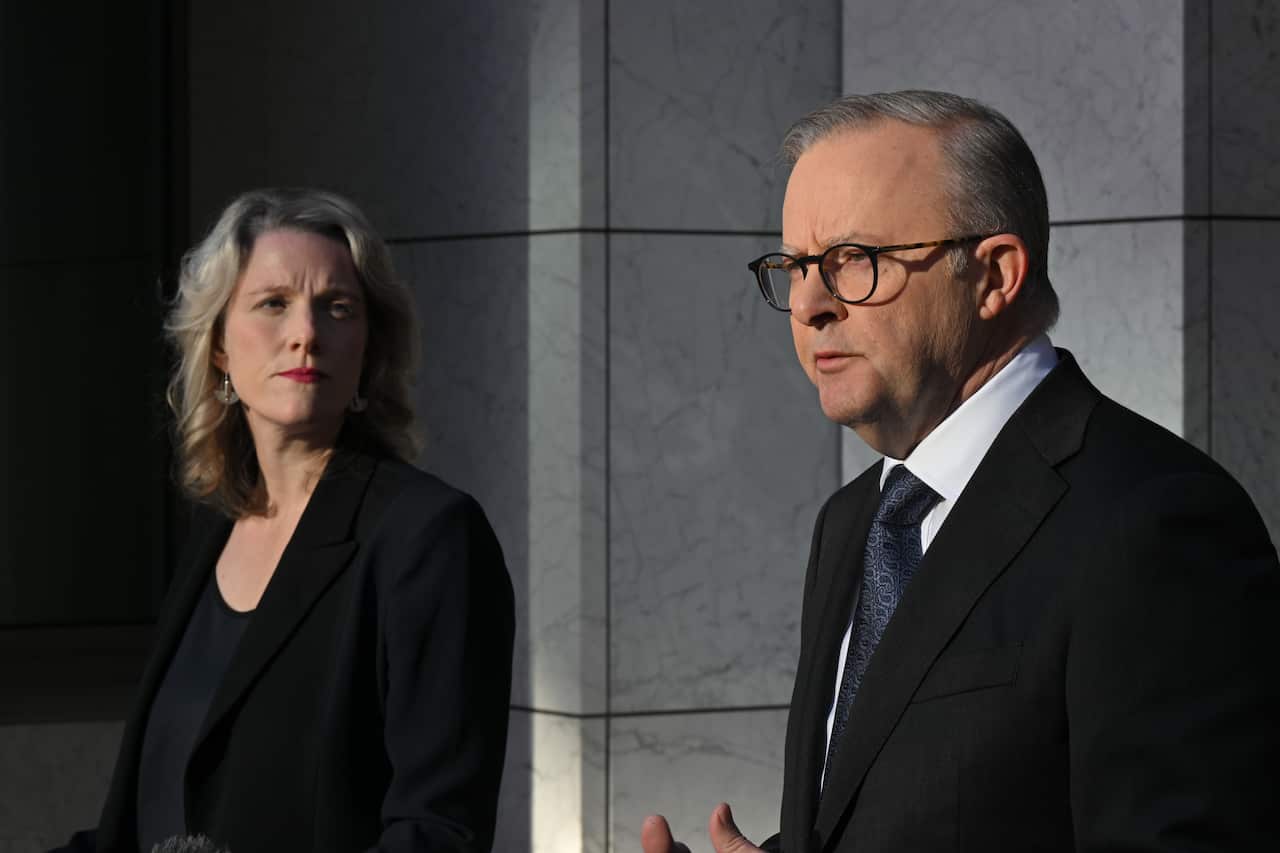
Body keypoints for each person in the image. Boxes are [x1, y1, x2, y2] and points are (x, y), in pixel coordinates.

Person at [642, 91, 1280, 851]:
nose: (809, 302)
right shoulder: (855, 519)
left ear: (993, 276)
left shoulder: (1154, 522)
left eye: (855, 261)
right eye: (796, 265)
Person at [53, 188, 514, 853]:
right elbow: (143, 821)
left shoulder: (429, 536)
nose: (307, 332)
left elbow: (437, 832)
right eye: (274, 304)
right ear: (218, 348)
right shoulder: (218, 530)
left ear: (368, 348)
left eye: (338, 307)